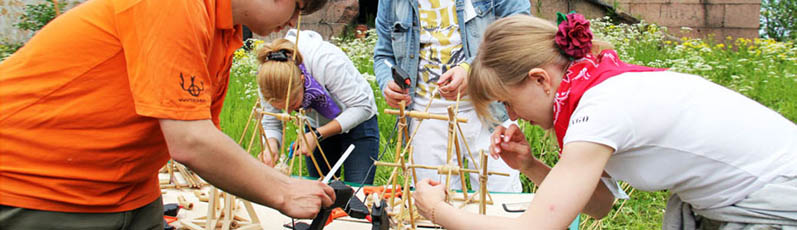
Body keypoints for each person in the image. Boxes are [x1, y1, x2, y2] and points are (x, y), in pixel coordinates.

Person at [413, 14, 797, 229]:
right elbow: (599, 204)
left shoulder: (599, 110)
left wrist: (435, 210)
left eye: (508, 103)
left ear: (540, 80)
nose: (513, 117)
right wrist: (530, 165)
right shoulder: (599, 87)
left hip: (777, 203)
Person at [0, 0, 335, 229]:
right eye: (300, 7)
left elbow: (205, 136)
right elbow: (190, 141)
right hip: (38, 184)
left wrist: (283, 183)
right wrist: (283, 191)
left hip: (126, 190)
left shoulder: (223, 33)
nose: (293, 22)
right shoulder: (175, 6)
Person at [374, 0, 529, 192]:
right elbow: (383, 56)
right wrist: (388, 83)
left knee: (500, 200)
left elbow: (520, 33)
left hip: (490, 111)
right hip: (426, 117)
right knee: (432, 206)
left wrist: (472, 69)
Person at [256, 29, 379, 184]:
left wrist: (317, 135)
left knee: (356, 193)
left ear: (302, 80)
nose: (288, 112)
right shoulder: (268, 77)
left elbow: (362, 107)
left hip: (358, 120)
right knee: (319, 190)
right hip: (316, 126)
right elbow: (271, 121)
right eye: (280, 107)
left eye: (293, 104)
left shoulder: (325, 61)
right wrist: (271, 146)